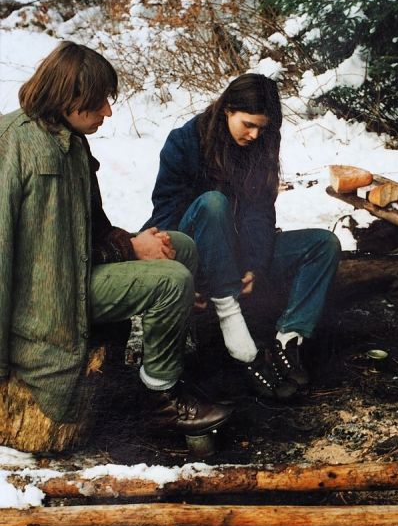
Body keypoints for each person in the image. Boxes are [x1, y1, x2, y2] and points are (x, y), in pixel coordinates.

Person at [0, 41, 233, 436]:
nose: (107, 112)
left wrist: (135, 242)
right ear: (68, 97)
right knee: (170, 281)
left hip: (73, 279)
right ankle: (162, 398)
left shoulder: (70, 140)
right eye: (98, 102)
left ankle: (167, 359)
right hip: (46, 306)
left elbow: (88, 231)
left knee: (180, 246)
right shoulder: (13, 145)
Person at [144, 73, 341, 400]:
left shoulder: (261, 142)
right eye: (248, 124)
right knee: (213, 202)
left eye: (262, 128)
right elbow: (165, 218)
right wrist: (182, 278)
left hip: (238, 256)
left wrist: (254, 266)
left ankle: (288, 340)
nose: (254, 134)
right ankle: (233, 324)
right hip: (197, 258)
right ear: (227, 109)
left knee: (324, 244)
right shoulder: (184, 142)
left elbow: (260, 212)